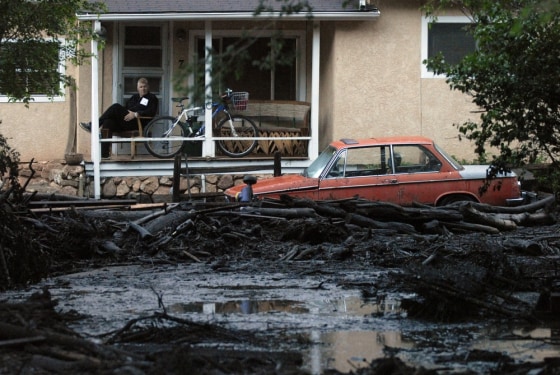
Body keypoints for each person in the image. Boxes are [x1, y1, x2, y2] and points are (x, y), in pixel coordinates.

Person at [80, 77, 158, 158]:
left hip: (137, 123)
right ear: (137, 88)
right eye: (141, 87)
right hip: (125, 121)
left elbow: (151, 112)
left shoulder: (152, 98)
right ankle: (104, 155)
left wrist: (135, 114)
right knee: (108, 122)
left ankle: (93, 125)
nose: (143, 89)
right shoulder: (134, 97)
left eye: (145, 86)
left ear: (148, 87)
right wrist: (127, 112)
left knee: (116, 106)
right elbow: (127, 108)